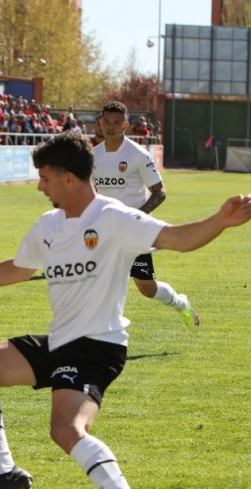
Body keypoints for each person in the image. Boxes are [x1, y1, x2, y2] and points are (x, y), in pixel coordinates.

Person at [0, 132, 251, 489]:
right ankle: (4, 475)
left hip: (96, 346)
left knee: (66, 428)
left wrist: (220, 220)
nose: (40, 186)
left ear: (69, 178)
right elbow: (18, 268)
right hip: (61, 341)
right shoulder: (48, 225)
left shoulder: (113, 217)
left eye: (45, 178)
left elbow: (177, 238)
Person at [93, 101, 199, 326]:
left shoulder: (138, 155)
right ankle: (107, 327)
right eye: (106, 122)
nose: (110, 127)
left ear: (125, 126)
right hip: (104, 230)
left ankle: (181, 303)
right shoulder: (92, 156)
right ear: (100, 124)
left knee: (147, 288)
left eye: (116, 123)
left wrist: (136, 217)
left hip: (133, 231)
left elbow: (160, 192)